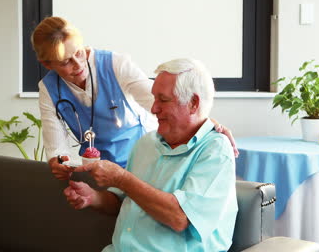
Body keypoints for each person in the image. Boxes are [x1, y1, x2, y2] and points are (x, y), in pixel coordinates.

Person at [31, 16, 239, 180]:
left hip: (143, 164)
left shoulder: (116, 64)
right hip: (96, 171)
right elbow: (57, 146)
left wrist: (205, 123)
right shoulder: (48, 89)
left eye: (78, 53)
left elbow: (157, 102)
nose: (77, 64)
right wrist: (60, 161)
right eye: (66, 61)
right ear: (48, 64)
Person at [64, 58, 238, 251]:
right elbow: (122, 200)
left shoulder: (215, 151)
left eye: (163, 100)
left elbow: (180, 217)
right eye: (154, 98)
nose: (154, 108)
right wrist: (93, 197)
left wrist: (122, 179)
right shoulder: (147, 143)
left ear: (193, 103)